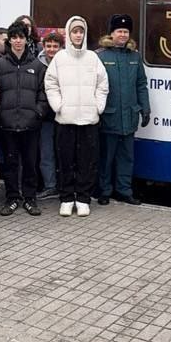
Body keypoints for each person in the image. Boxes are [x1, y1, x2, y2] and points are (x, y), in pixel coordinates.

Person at [44, 16, 107, 217]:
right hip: (65, 120)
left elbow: (103, 84)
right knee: (65, 161)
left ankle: (83, 198)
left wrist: (98, 106)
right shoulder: (60, 58)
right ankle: (66, 198)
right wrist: (58, 105)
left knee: (86, 162)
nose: (78, 35)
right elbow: (51, 84)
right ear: (69, 34)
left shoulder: (93, 58)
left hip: (89, 120)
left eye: (81, 31)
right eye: (74, 31)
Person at [97, 14, 150, 206]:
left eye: (126, 31)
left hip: (129, 116)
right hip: (108, 116)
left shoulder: (135, 57)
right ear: (111, 33)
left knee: (126, 157)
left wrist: (145, 108)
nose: (123, 35)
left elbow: (141, 84)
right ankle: (104, 191)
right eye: (119, 31)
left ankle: (124, 191)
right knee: (106, 157)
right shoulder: (100, 56)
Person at [0, 22, 47, 216]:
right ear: (9, 40)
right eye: (14, 37)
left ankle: (30, 198)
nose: (18, 41)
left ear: (27, 39)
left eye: (21, 37)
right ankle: (12, 198)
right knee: (10, 165)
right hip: (7, 124)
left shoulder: (37, 66)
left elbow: (43, 93)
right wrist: (0, 114)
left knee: (30, 163)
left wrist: (37, 113)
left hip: (30, 125)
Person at [37, 31, 63, 198]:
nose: (52, 49)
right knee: (46, 153)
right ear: (43, 46)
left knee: (63, 152)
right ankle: (50, 185)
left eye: (55, 46)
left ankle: (64, 184)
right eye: (49, 46)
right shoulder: (38, 65)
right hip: (45, 118)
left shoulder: (66, 64)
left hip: (64, 115)